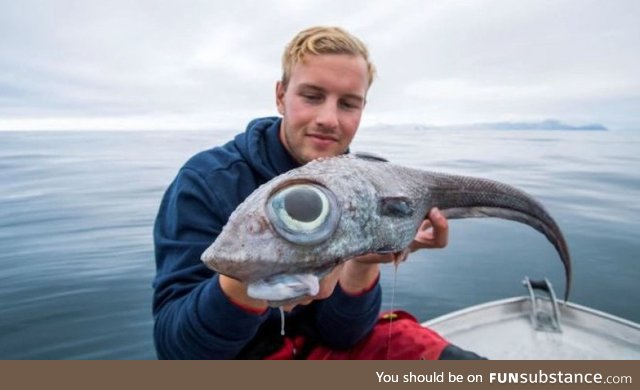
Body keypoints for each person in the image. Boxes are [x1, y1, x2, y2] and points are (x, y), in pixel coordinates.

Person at [153, 26, 484, 359]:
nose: (329, 119)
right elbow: (179, 352)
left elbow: (343, 335)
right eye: (311, 97)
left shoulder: (367, 190)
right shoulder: (207, 181)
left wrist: (363, 262)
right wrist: (246, 279)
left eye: (348, 104)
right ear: (281, 96)